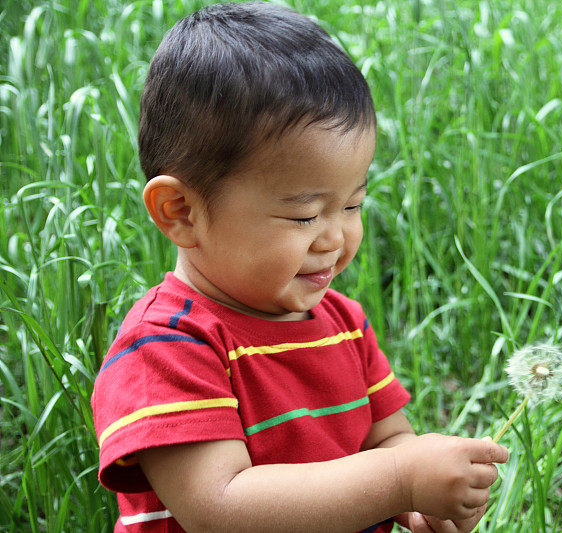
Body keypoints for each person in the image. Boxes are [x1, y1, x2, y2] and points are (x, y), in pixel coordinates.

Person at [91, 3, 509, 532]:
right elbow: (220, 508)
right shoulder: (164, 348)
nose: (336, 237)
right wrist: (399, 477)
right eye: (304, 214)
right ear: (182, 213)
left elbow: (389, 440)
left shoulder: (342, 323)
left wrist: (420, 497)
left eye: (353, 205)